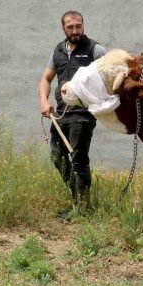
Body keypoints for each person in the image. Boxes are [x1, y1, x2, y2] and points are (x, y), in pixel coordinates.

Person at [39, 11, 107, 206]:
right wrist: (44, 101)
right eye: (70, 27)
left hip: (83, 114)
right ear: (63, 28)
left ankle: (83, 207)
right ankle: (77, 197)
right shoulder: (58, 50)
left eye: (78, 26)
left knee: (78, 159)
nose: (75, 30)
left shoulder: (96, 50)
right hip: (60, 115)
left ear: (83, 25)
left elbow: (110, 76)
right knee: (57, 156)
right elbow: (46, 78)